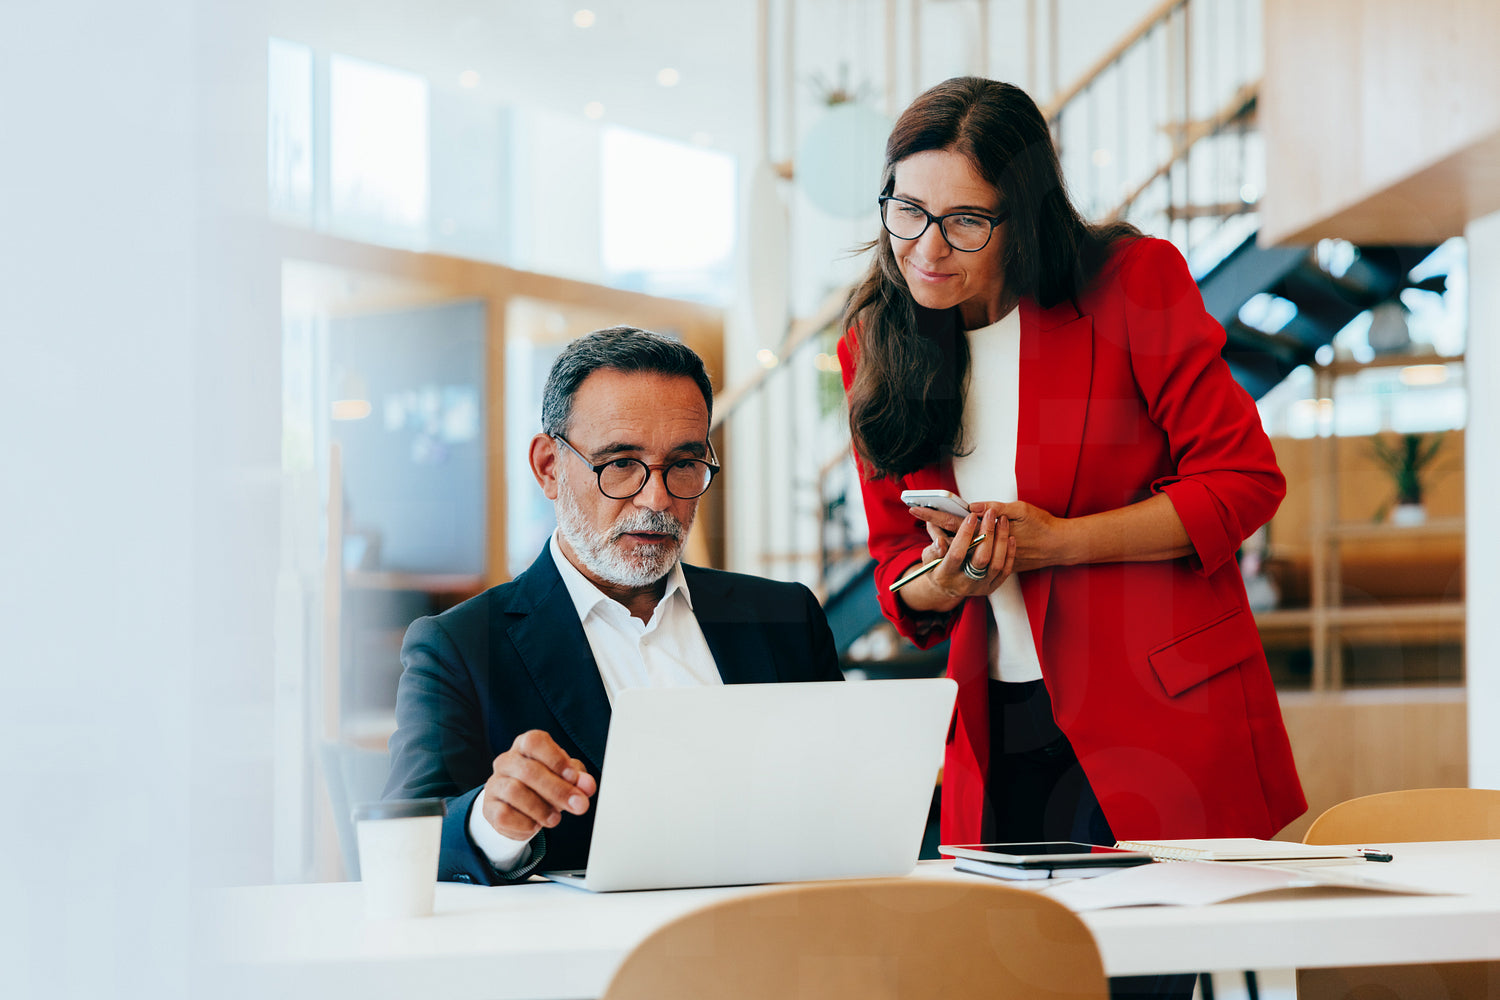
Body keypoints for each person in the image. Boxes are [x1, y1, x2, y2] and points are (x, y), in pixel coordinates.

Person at [839, 76, 1306, 852]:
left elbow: (1242, 480)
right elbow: (896, 566)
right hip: (998, 722)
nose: (926, 248)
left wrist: (1058, 542)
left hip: (1159, 710)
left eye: (965, 221)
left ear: (1022, 216)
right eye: (908, 210)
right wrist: (949, 578)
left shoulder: (1129, 283)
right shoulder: (877, 341)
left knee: (1156, 934)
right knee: (1018, 936)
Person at [384, 326, 842, 885]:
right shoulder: (459, 646)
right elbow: (401, 843)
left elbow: (844, 799)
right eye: (621, 463)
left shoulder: (787, 618)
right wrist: (492, 821)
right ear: (549, 467)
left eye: (684, 463)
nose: (658, 498)